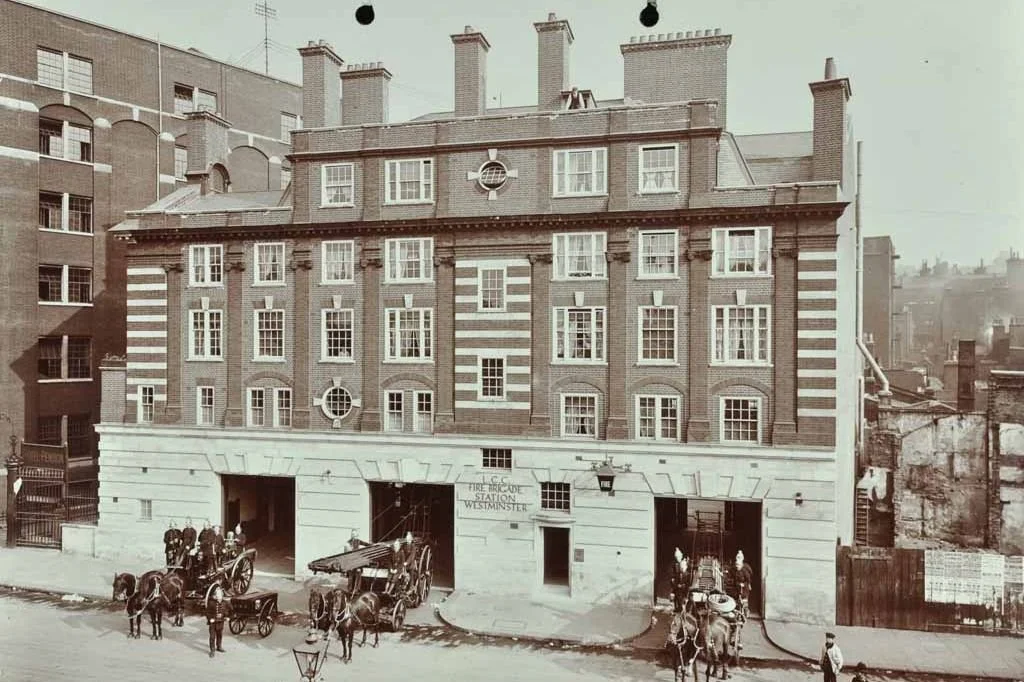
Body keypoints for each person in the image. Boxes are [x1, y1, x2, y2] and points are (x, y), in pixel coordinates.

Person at [206, 586, 229, 658]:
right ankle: (212, 650)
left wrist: (227, 616)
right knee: (212, 637)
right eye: (217, 595)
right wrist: (210, 619)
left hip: (220, 622)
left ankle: (219, 647)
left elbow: (230, 611)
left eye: (220, 595)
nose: (219, 596)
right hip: (213, 623)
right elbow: (207, 612)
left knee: (219, 635)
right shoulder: (211, 603)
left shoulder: (225, 603)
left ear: (222, 596)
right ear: (215, 596)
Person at [669, 548, 691, 614]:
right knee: (677, 599)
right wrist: (675, 585)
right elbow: (674, 578)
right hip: (678, 588)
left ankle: (682, 609)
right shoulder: (676, 567)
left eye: (678, 557)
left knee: (682, 599)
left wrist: (684, 586)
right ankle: (678, 608)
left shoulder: (687, 574)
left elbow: (688, 583)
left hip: (683, 590)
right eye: (676, 557)